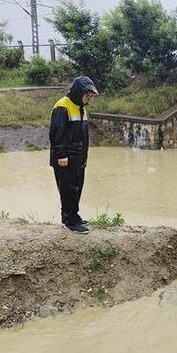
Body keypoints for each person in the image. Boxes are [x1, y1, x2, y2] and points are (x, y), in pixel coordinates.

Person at [49, 76, 99, 234]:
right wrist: (61, 155)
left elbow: (83, 136)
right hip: (66, 158)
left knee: (77, 187)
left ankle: (73, 216)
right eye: (88, 95)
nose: (89, 98)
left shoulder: (81, 107)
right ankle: (69, 220)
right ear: (79, 92)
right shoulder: (62, 106)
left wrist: (83, 157)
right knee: (68, 189)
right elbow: (57, 134)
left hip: (78, 158)